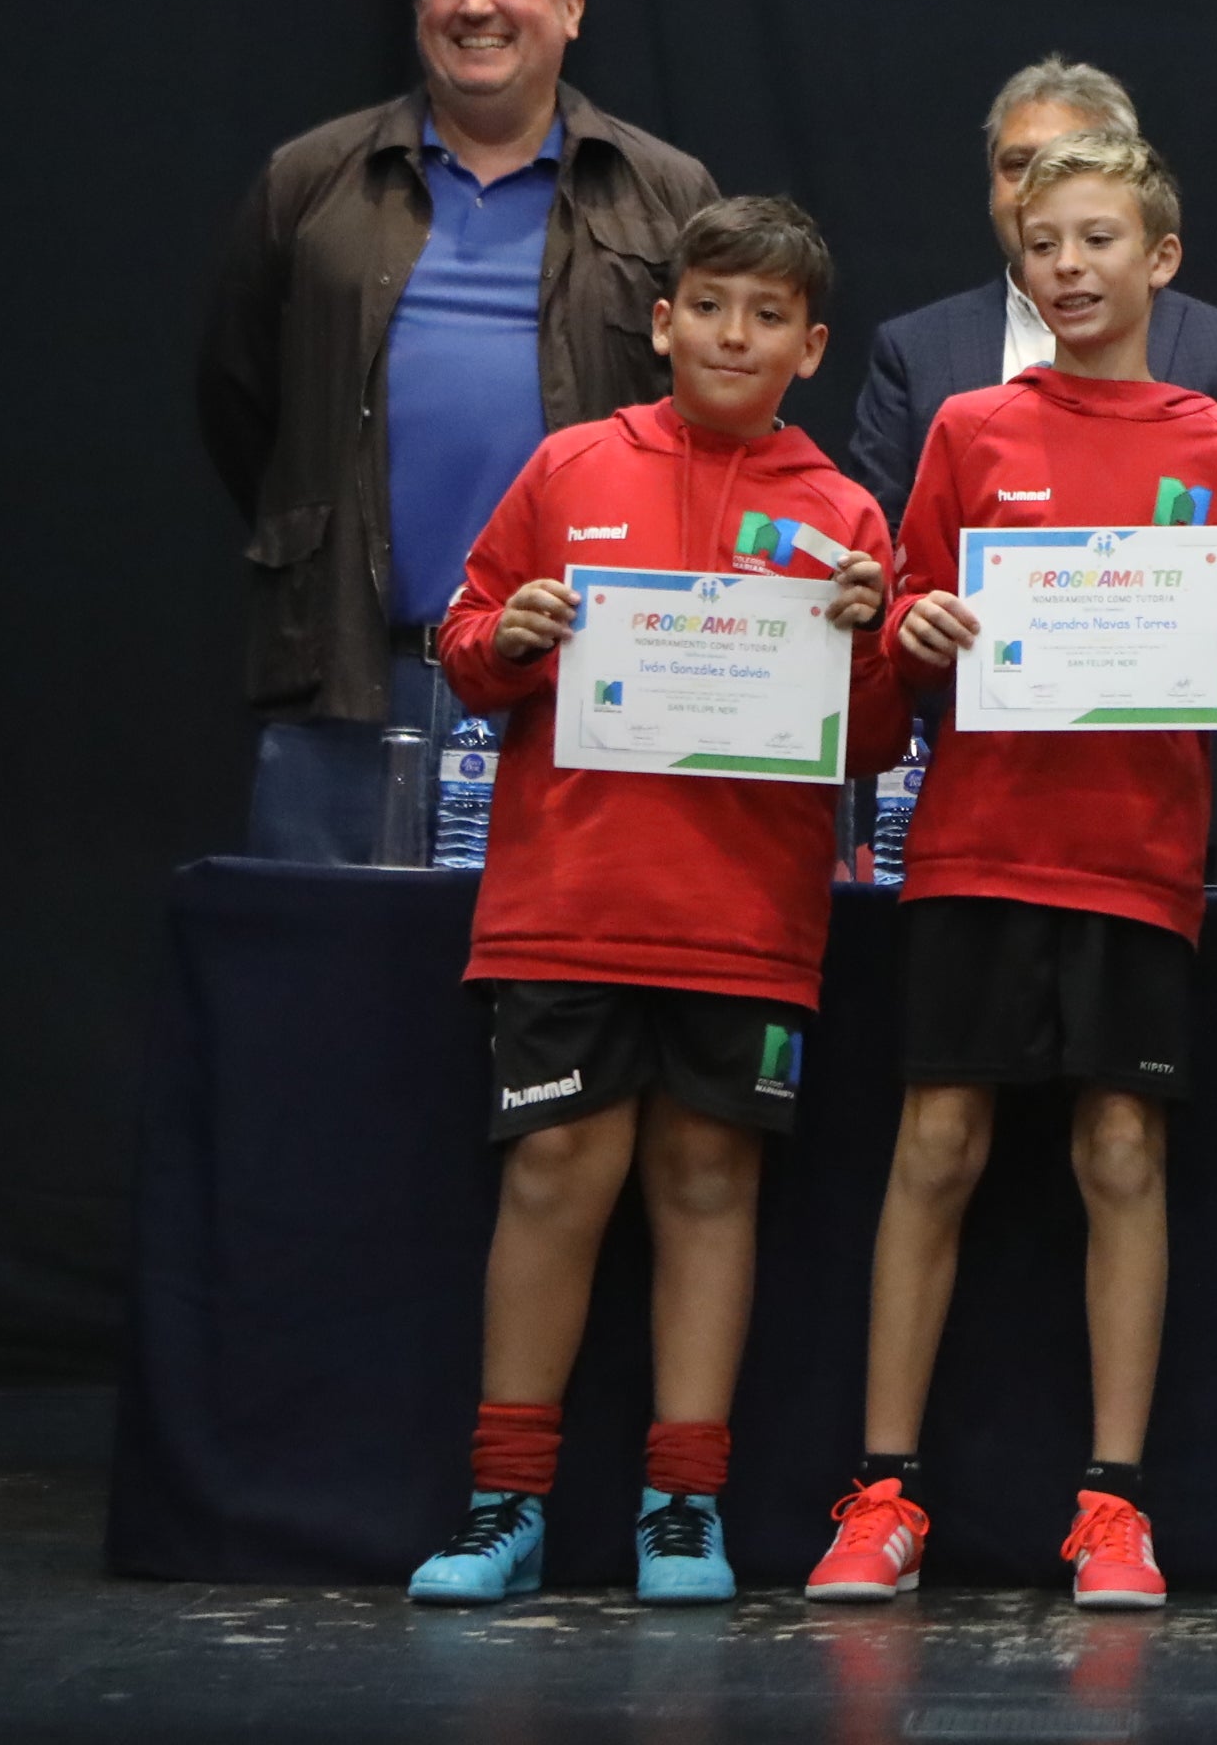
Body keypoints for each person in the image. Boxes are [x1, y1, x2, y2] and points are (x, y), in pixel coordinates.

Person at [807, 130, 1217, 1616]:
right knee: (937, 1149)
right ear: (1018, 264)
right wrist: (908, 638)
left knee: (1120, 1157)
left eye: (1100, 240)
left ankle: (1113, 1506)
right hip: (976, 842)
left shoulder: (1215, 443)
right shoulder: (970, 428)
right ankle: (883, 1494)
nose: (1071, 268)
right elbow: (899, 668)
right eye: (1045, 246)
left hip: (1137, 859)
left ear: (1160, 260)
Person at [401, 198, 905, 1606]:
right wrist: (508, 635)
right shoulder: (570, 468)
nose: (733, 335)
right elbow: (463, 640)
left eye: (767, 317)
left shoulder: (844, 512)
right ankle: (505, 1500)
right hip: (568, 901)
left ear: (810, 347)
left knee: (707, 1182)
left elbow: (867, 745)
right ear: (664, 317)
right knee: (558, 1178)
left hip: (746, 921)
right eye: (711, 305)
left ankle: (684, 1502)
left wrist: (869, 645)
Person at [199, 0, 715, 861]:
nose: (475, 5)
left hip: (587, 685)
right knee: (327, 999)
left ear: (570, 6)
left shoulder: (667, 194)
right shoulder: (308, 185)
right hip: (351, 685)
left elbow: (720, 418)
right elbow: (240, 401)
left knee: (559, 1008)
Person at [843, 56, 1217, 527]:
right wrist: (910, 602)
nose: (1041, 184)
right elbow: (885, 547)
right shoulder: (918, 355)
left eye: (1070, 160)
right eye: (1018, 165)